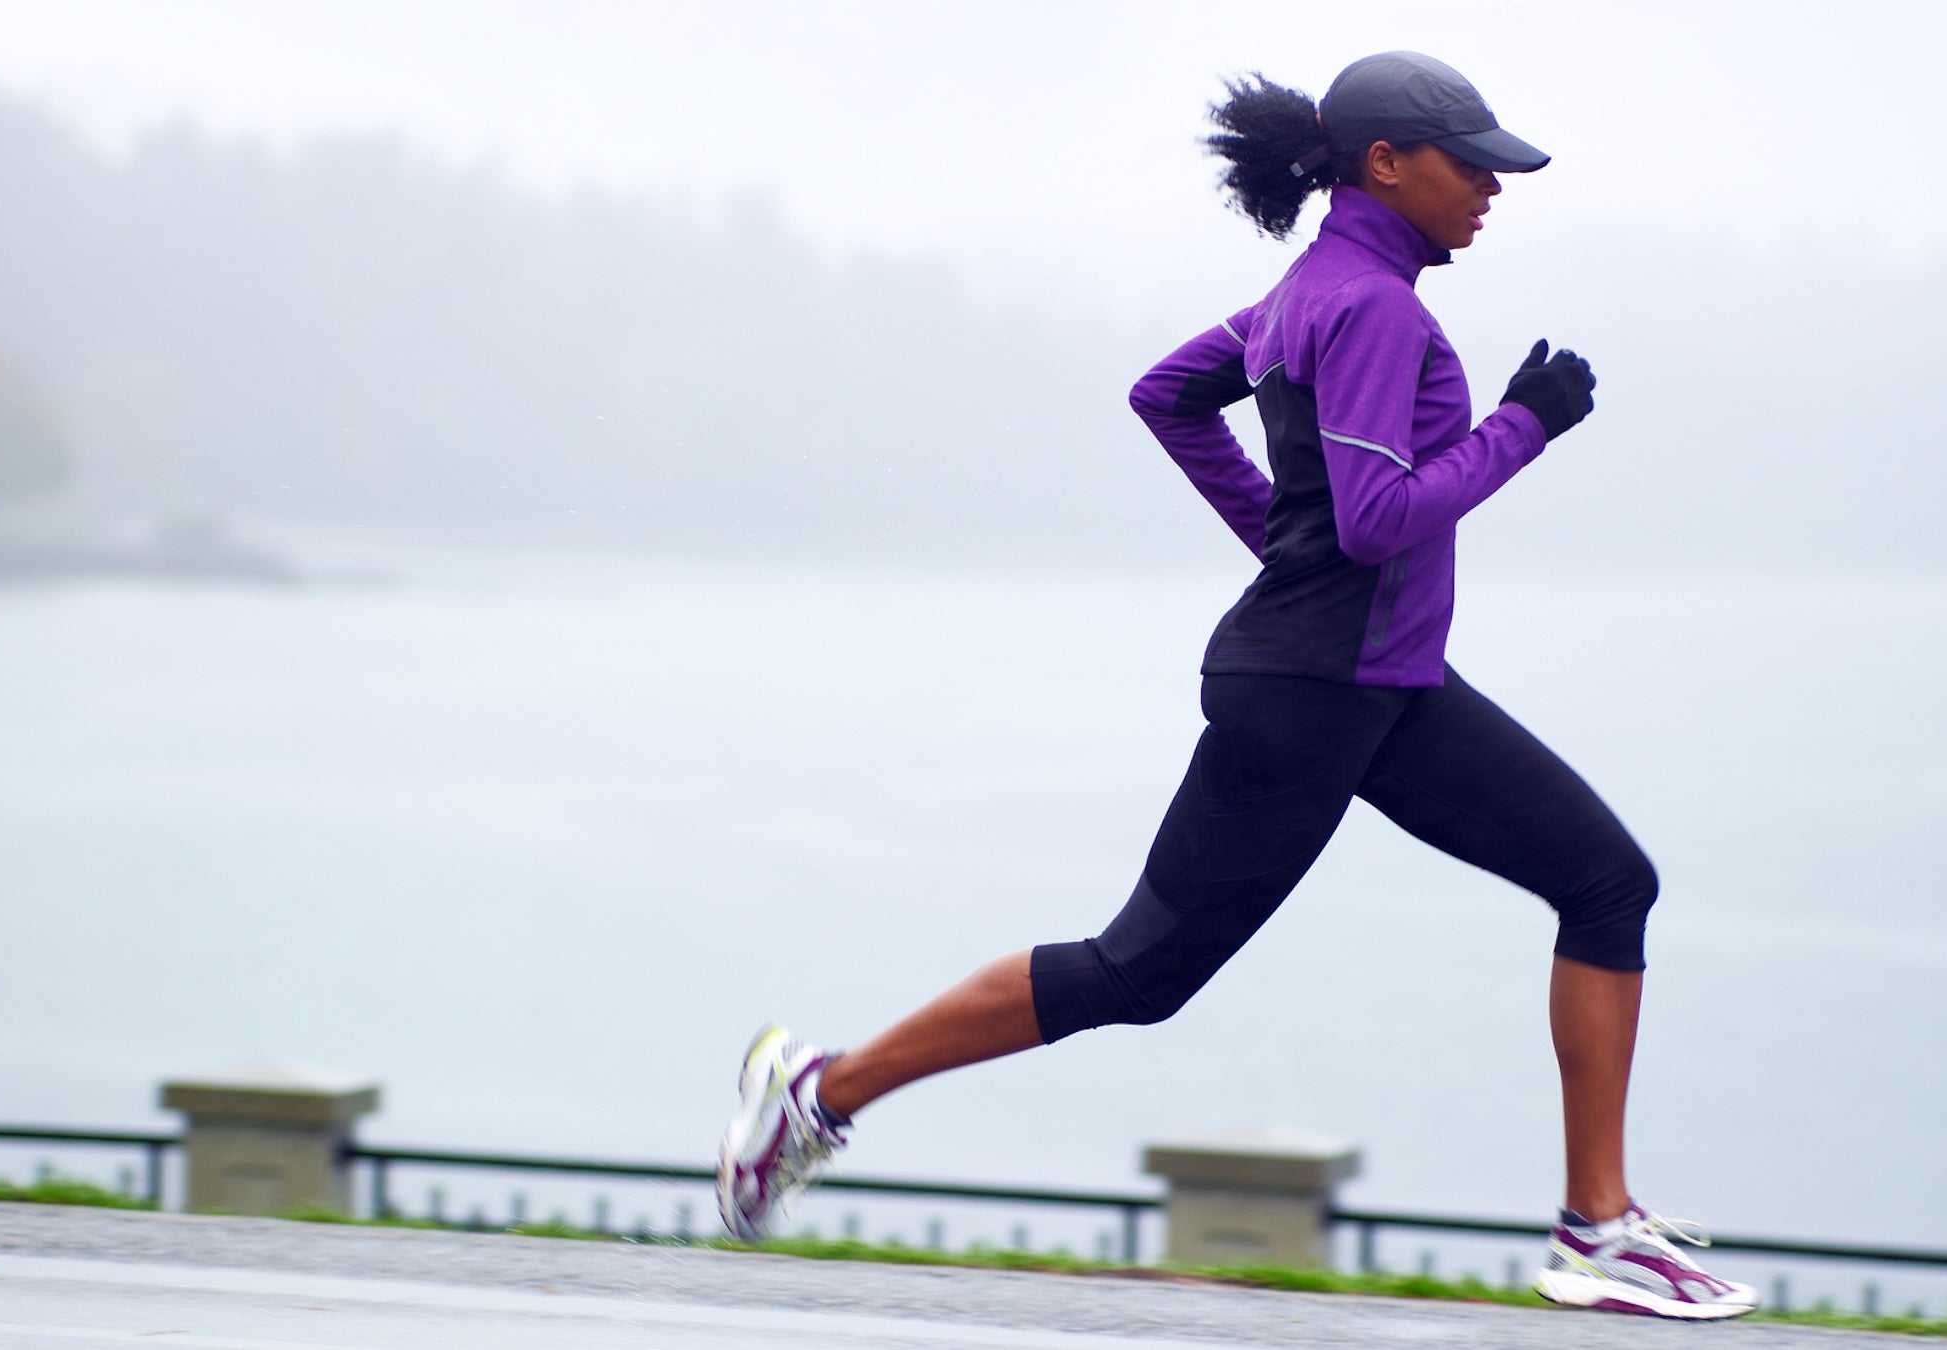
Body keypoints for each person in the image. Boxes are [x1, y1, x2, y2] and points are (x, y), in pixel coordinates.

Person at [717, 51, 1758, 1321]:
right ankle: (822, 1096)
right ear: (1386, 163)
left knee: (1605, 881)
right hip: (1315, 693)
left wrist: (1283, 537)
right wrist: (1523, 424)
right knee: (1133, 973)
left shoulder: (1307, 293)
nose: (1492, 184)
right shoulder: (1373, 309)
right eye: (1469, 161)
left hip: (1384, 684)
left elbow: (1171, 397)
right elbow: (1375, 520)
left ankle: (1597, 1227)